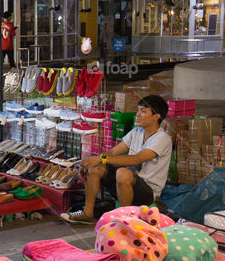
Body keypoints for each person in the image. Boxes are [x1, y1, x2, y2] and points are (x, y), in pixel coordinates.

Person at [61, 95, 173, 225]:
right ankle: (87, 214)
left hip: (148, 191)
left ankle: (123, 220)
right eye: (138, 110)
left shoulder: (162, 138)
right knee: (96, 168)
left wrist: (101, 158)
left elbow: (135, 160)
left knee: (122, 172)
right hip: (126, 183)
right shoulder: (136, 132)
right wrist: (94, 161)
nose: (137, 115)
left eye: (143, 111)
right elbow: (114, 151)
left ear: (156, 116)